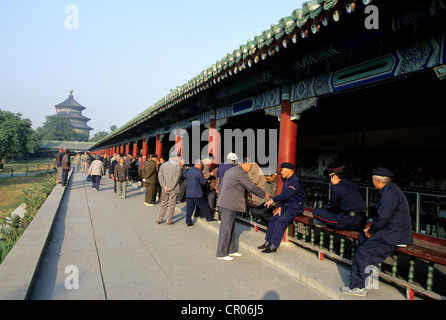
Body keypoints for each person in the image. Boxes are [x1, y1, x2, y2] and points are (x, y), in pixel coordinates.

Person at [341, 167, 413, 297]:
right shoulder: (390, 189)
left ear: (378, 181)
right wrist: (371, 230)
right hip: (390, 231)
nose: (372, 182)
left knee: (364, 252)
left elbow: (383, 217)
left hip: (394, 235)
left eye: (373, 180)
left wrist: (372, 230)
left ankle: (357, 287)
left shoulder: (389, 194)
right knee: (362, 239)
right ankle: (361, 275)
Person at [216, 157, 268, 261]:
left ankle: (231, 250)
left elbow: (221, 186)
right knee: (226, 229)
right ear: (244, 164)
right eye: (249, 166)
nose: (249, 168)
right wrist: (263, 194)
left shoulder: (231, 170)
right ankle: (221, 253)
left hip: (226, 202)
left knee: (231, 227)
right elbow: (251, 187)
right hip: (228, 203)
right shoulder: (240, 173)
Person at [259, 162, 306, 253]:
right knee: (273, 219)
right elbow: (284, 196)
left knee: (280, 221)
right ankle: (267, 242)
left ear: (290, 171)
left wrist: (273, 200)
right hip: (286, 207)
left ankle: (274, 246)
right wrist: (280, 206)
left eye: (283, 170)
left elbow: (286, 194)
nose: (281, 172)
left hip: (295, 208)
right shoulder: (287, 181)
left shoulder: (295, 181)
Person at [312, 166, 367, 231]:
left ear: (335, 177)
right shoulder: (353, 185)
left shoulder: (336, 187)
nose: (331, 180)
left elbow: (332, 207)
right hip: (360, 222)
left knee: (316, 211)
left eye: (330, 177)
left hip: (346, 222)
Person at [184, 159, 215, 226]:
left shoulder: (189, 171)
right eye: (201, 165)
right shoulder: (198, 172)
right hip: (197, 193)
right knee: (204, 206)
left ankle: (188, 222)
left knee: (189, 208)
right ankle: (209, 218)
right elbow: (202, 182)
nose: (201, 166)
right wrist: (207, 180)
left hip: (189, 192)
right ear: (197, 165)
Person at [156, 151, 182, 225]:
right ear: (175, 157)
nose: (179, 158)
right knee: (171, 204)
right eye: (178, 157)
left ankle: (159, 219)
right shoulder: (177, 166)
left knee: (164, 203)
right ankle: (169, 221)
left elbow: (160, 176)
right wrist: (171, 187)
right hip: (173, 188)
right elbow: (177, 178)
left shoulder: (163, 165)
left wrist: (164, 186)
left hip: (165, 188)